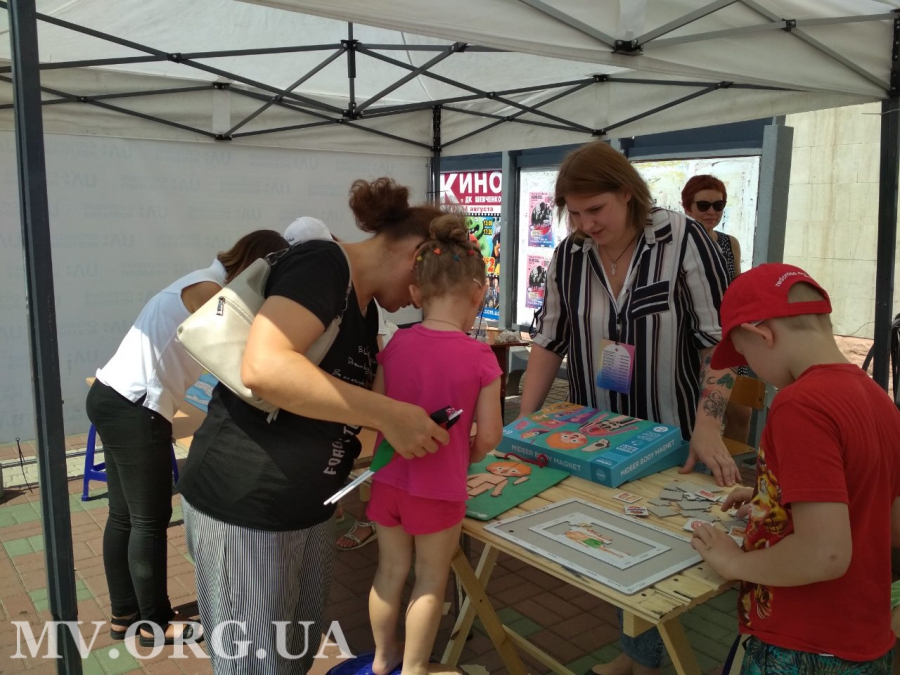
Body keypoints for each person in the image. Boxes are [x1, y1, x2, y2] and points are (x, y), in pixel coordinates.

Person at [176, 178, 451, 674]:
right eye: (425, 286)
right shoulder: (324, 263)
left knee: (293, 657)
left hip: (308, 508)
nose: (418, 301)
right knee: (255, 666)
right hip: (248, 505)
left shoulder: (366, 310)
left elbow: (333, 403)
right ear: (416, 255)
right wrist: (387, 414)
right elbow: (265, 367)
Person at [519, 142, 740, 675]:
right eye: (575, 213)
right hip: (594, 435)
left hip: (671, 432)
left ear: (627, 193)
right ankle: (638, 652)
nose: (586, 224)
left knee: (664, 549)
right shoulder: (570, 255)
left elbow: (721, 343)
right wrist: (523, 425)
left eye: (596, 209)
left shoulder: (683, 238)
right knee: (614, 542)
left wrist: (709, 426)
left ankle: (645, 657)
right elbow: (549, 341)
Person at [693, 262, 900, 673]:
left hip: (801, 645)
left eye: (746, 357)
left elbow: (825, 554)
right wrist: (774, 496)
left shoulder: (799, 404)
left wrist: (733, 563)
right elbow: (886, 517)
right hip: (862, 638)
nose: (754, 369)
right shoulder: (878, 399)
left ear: (762, 335)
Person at [85, 229, 288, 646]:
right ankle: (154, 625)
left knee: (123, 516)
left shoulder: (199, 281)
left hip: (112, 396)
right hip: (136, 407)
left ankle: (125, 615)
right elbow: (240, 359)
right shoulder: (210, 293)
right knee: (149, 520)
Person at [366, 214, 503, 675]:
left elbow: (377, 410)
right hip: (439, 490)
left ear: (415, 292)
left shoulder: (395, 345)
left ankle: (383, 658)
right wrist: (468, 455)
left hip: (387, 479)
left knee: (389, 571)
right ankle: (415, 668)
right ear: (479, 293)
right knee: (429, 579)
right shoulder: (481, 357)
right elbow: (490, 435)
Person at [682, 175, 751, 444]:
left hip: (726, 335)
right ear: (687, 207)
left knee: (741, 413)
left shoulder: (729, 243)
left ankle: (731, 464)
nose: (711, 211)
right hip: (688, 339)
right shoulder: (679, 245)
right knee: (694, 410)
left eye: (718, 205)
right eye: (703, 205)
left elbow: (736, 286)